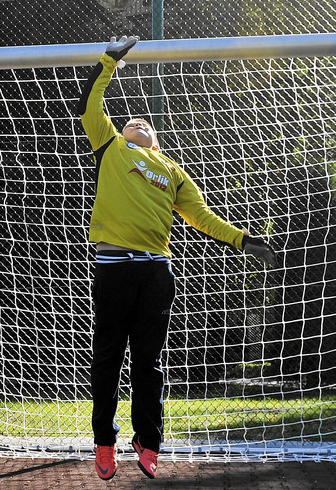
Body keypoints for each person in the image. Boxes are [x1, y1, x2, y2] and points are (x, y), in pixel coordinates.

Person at [74, 35, 277, 481]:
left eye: (146, 123)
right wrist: (110, 59)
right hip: (113, 268)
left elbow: (202, 217)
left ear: (158, 142)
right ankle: (104, 442)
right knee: (107, 358)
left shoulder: (171, 172)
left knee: (148, 362)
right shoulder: (109, 147)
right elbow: (90, 102)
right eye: (132, 121)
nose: (138, 123)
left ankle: (149, 442)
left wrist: (244, 240)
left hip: (155, 272)